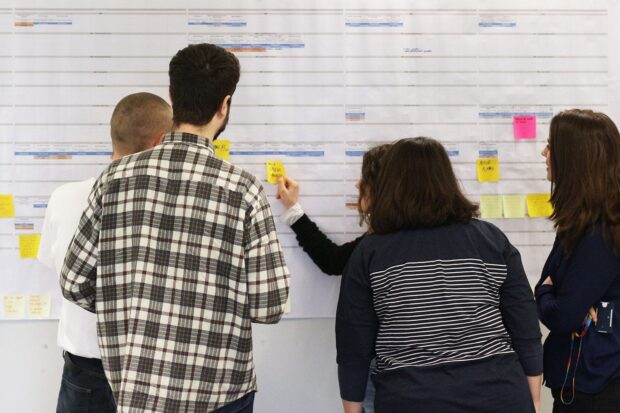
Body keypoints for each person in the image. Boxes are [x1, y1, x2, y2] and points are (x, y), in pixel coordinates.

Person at [59, 43, 290, 413]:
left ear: (172, 96)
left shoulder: (114, 179)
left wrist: (132, 306)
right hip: (220, 392)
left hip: (137, 391)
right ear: (224, 105)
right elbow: (270, 306)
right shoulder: (243, 189)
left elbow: (74, 282)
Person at [336, 137, 543, 413]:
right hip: (500, 394)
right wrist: (534, 401)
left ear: (392, 184)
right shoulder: (490, 239)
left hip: (411, 397)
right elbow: (525, 326)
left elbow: (353, 348)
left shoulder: (371, 252)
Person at [38, 92, 173, 413]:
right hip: (151, 367)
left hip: (85, 366)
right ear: (162, 141)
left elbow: (54, 265)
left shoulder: (63, 197)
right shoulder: (172, 204)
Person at [276, 144, 390, 413]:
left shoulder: (380, 243)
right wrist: (294, 211)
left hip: (388, 376)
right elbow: (334, 260)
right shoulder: (376, 242)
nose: (357, 183)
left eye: (366, 179)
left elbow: (334, 261)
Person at [536, 109, 620, 412]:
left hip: (595, 387)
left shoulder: (600, 232)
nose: (544, 153)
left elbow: (562, 315)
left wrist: (544, 293)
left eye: (551, 146)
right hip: (586, 380)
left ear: (576, 159)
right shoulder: (581, 222)